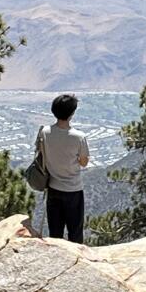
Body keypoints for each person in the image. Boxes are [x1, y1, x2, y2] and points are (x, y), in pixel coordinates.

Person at [37, 93, 89, 243]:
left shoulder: (44, 132)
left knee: (55, 232)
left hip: (53, 188)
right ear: (72, 113)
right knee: (75, 232)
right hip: (73, 190)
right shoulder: (79, 136)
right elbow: (84, 162)